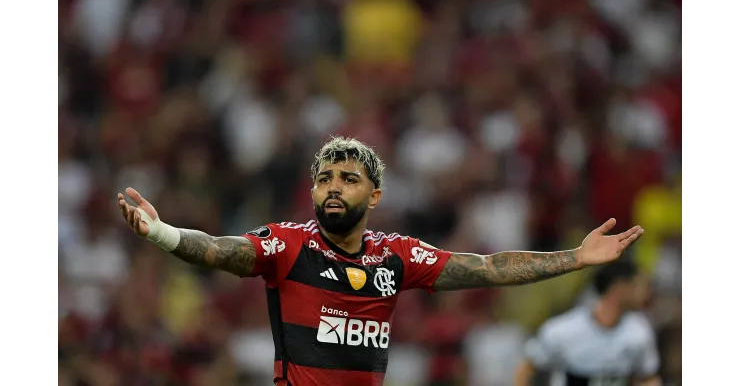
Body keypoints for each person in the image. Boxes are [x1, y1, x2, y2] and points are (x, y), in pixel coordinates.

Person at [117, 136, 645, 386]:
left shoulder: (395, 256)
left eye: (348, 179)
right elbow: (220, 251)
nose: (333, 187)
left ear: (374, 196)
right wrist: (162, 233)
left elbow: (488, 267)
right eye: (325, 178)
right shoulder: (289, 245)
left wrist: (575, 257)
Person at [513, 259, 661, 386]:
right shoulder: (563, 330)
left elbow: (648, 377)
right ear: (620, 288)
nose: (645, 293)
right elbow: (526, 370)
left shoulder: (639, 330)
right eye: (637, 285)